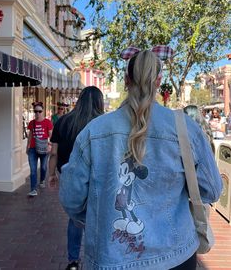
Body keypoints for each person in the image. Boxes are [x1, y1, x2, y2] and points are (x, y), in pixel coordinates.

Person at [59, 49, 222, 270]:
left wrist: (101, 216)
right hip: (176, 255)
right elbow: (211, 190)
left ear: (126, 80)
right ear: (158, 81)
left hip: (112, 258)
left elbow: (71, 198)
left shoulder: (94, 132)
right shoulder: (186, 129)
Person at [48, 86, 104, 270]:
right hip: (96, 179)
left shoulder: (63, 121)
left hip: (68, 177)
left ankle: (73, 261)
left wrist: (51, 175)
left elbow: (54, 153)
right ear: (99, 102)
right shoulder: (101, 123)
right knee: (95, 219)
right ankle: (94, 260)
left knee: (75, 219)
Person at [26, 102, 53, 197]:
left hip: (44, 148)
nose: (37, 113)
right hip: (33, 149)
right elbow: (30, 136)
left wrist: (50, 145)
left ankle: (42, 180)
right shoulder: (32, 123)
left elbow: (51, 136)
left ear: (43, 111)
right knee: (33, 170)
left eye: (39, 111)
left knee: (43, 167)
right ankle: (33, 189)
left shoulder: (47, 122)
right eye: (35, 111)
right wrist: (27, 146)